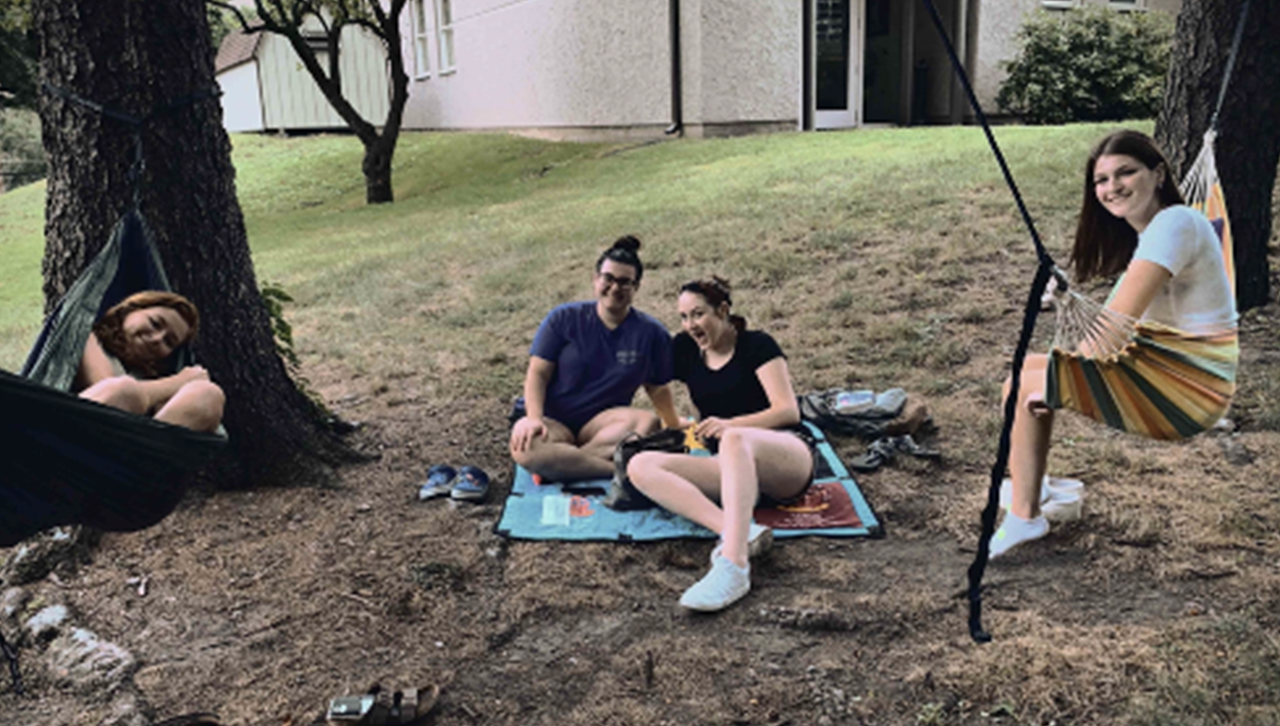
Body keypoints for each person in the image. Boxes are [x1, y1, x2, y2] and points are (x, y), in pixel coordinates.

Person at [993, 130, 1238, 558]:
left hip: (1189, 390)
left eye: (1126, 173)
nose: (1112, 188)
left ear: (1157, 174)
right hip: (1182, 375)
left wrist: (1060, 377)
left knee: (1026, 386)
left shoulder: (1175, 224)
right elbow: (1111, 328)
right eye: (1101, 180)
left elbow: (1108, 337)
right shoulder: (1158, 235)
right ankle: (1034, 487)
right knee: (1024, 377)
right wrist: (1068, 307)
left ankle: (1025, 515)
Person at [627, 277, 815, 612]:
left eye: (697, 315)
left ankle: (734, 566)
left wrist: (731, 425)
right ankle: (739, 531)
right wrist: (673, 423)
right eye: (683, 317)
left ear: (723, 310)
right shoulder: (686, 349)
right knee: (639, 464)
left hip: (785, 459)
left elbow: (787, 410)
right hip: (733, 471)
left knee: (734, 439)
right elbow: (650, 374)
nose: (690, 326)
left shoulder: (758, 345)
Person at [509, 236, 679, 481]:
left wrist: (673, 423)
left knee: (648, 424)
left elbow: (658, 388)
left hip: (602, 426)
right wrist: (533, 419)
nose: (615, 287)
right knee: (525, 448)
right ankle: (619, 471)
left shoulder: (652, 334)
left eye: (625, 282)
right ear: (595, 278)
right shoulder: (563, 319)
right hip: (553, 420)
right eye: (608, 278)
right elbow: (537, 373)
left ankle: (564, 464)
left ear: (636, 287)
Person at [75, 290, 225, 433]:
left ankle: (140, 454)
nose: (157, 339)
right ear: (130, 309)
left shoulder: (151, 377)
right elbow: (114, 396)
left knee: (209, 395)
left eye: (169, 341)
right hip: (81, 432)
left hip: (136, 449)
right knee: (126, 389)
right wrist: (179, 381)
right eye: (155, 323)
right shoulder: (89, 337)